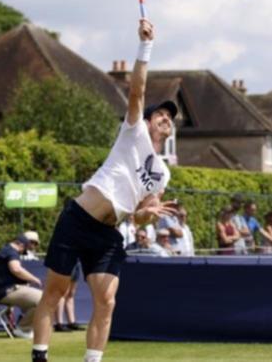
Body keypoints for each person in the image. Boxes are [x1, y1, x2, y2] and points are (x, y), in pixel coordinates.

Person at [31, 19, 179, 362]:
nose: (165, 118)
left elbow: (141, 218)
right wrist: (146, 47)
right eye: (160, 113)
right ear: (147, 120)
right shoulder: (132, 133)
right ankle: (39, 356)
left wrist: (146, 214)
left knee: (107, 300)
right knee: (53, 294)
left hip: (107, 234)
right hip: (77, 220)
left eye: (170, 118)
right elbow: (138, 92)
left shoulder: (162, 173)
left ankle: (92, 360)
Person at [0, 234, 43, 338]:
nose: (21, 253)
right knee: (43, 299)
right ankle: (23, 329)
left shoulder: (5, 251)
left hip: (4, 291)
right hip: (8, 291)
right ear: (20, 245)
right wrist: (34, 279)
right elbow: (16, 269)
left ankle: (24, 327)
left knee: (35, 301)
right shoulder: (11, 252)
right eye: (23, 249)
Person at [53, 263, 83, 333]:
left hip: (76, 262)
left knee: (71, 293)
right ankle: (59, 324)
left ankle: (71, 322)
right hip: (66, 260)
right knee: (62, 293)